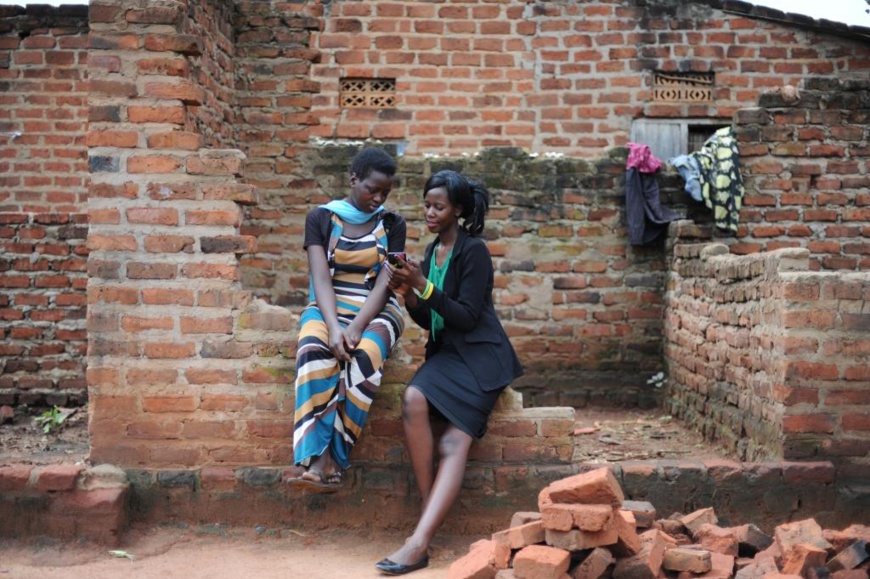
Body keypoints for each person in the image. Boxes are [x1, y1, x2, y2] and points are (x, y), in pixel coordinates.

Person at [376, 170, 523, 575]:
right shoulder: (430, 250)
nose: (430, 213)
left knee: (454, 445)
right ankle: (428, 522)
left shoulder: (473, 251)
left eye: (439, 206)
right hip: (447, 356)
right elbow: (431, 319)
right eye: (426, 205)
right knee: (412, 399)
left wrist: (421, 285)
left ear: (458, 209)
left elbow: (466, 316)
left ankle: (419, 540)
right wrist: (407, 293)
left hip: (480, 359)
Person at [291, 147, 406, 490]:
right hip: (328, 304)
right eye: (373, 189)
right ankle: (314, 456)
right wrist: (334, 327)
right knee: (313, 350)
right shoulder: (321, 218)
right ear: (353, 179)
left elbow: (388, 282)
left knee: (366, 355)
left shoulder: (392, 223)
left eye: (385, 192)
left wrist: (355, 328)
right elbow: (320, 276)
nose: (379, 198)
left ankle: (332, 459)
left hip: (376, 307)